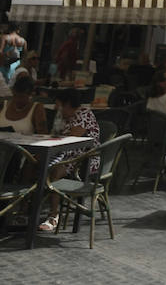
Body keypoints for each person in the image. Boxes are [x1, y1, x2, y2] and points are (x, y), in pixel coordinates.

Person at [43, 88, 101, 231]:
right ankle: (27, 208)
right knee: (33, 165)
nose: (57, 108)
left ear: (67, 104)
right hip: (67, 156)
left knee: (55, 171)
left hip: (84, 160)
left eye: (59, 104)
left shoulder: (83, 114)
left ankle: (53, 215)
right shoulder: (64, 116)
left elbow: (72, 140)